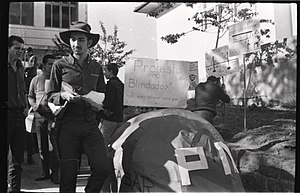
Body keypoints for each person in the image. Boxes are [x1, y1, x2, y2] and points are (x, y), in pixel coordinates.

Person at [47, 21, 109, 193]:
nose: (76, 44)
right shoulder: (59, 65)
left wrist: (98, 104)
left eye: (81, 39)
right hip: (67, 125)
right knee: (68, 178)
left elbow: (102, 94)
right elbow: (49, 96)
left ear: (89, 43)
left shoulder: (96, 67)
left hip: (90, 125)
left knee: (102, 168)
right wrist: (63, 95)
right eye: (73, 39)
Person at [27, 54, 60, 184]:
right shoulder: (36, 80)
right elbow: (30, 96)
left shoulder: (57, 80)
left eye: (54, 64)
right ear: (44, 65)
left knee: (53, 147)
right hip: (39, 116)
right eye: (50, 64)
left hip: (53, 117)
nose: (52, 67)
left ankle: (55, 174)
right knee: (42, 147)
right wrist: (34, 105)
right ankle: (45, 172)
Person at [7, 35, 27, 192]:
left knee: (17, 159)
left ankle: (15, 189)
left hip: (20, 116)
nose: (20, 52)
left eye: (22, 49)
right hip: (6, 115)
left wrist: (26, 107)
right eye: (16, 49)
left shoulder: (21, 68)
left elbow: (24, 91)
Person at [98, 63, 124, 148]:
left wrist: (99, 106)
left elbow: (108, 102)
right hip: (119, 117)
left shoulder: (110, 84)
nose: (104, 73)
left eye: (106, 70)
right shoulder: (121, 84)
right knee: (115, 142)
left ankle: (102, 160)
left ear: (111, 71)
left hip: (109, 117)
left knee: (101, 141)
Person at [24, 47, 39, 165]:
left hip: (26, 107)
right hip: (26, 104)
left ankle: (30, 154)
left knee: (28, 132)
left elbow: (32, 67)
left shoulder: (33, 59)